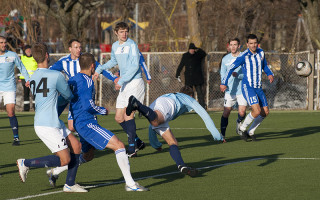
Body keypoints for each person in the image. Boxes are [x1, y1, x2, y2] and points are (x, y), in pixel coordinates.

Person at [68, 52, 148, 191]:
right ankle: (130, 184)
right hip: (87, 123)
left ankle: (55, 172)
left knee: (88, 155)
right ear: (93, 66)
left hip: (80, 123)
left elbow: (71, 101)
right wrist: (102, 110)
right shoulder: (87, 81)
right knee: (119, 145)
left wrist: (71, 118)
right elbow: (88, 106)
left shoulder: (73, 79)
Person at [16, 43, 86, 192]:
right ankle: (25, 163)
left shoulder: (33, 77)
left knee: (77, 146)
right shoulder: (56, 75)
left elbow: (49, 98)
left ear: (35, 59)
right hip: (47, 125)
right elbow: (67, 96)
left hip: (50, 121)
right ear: (47, 56)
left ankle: (70, 184)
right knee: (65, 159)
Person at [126, 86, 223, 176]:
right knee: (155, 121)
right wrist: (218, 136)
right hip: (168, 104)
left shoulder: (176, 95)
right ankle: (138, 105)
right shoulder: (187, 98)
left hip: (156, 105)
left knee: (172, 142)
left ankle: (181, 166)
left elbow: (151, 127)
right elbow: (204, 114)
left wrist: (156, 145)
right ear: (191, 95)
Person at [94, 22, 146, 157]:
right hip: (125, 83)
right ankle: (137, 141)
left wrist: (121, 81)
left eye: (126, 31)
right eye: (122, 32)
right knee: (118, 118)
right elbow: (113, 61)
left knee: (128, 115)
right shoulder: (115, 46)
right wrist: (99, 69)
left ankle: (132, 149)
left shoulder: (132, 45)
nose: (124, 34)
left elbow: (135, 67)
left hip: (134, 82)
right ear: (116, 33)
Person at [49, 39, 117, 134]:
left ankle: (92, 133)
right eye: (76, 47)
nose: (79, 49)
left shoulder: (86, 59)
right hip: (73, 94)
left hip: (86, 92)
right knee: (71, 127)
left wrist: (114, 79)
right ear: (70, 49)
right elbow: (49, 71)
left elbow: (101, 68)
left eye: (80, 47)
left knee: (86, 118)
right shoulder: (64, 61)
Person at [220, 34, 274, 141]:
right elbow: (231, 68)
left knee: (265, 112)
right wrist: (224, 82)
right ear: (247, 44)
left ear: (257, 43)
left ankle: (251, 131)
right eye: (251, 43)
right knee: (257, 111)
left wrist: (269, 74)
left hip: (258, 87)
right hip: (247, 86)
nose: (253, 45)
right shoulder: (243, 56)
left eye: (255, 43)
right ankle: (242, 128)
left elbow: (264, 66)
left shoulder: (261, 52)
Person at [0, 35, 29, 146]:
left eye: (5, 42)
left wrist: (28, 80)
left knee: (11, 111)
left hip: (9, 87)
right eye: (1, 42)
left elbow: (22, 67)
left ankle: (16, 138)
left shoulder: (12, 55)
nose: (4, 44)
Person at [220, 38, 247, 142]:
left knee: (242, 112)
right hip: (230, 90)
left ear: (239, 46)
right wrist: (223, 83)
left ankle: (239, 122)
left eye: (235, 45)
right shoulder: (225, 59)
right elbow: (222, 73)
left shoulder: (243, 57)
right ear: (229, 46)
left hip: (242, 89)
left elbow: (248, 74)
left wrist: (239, 75)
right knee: (226, 112)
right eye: (231, 45)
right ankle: (222, 135)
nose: (233, 47)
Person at [175, 43, 207, 109]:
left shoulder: (198, 55)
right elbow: (181, 65)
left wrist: (198, 48)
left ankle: (202, 106)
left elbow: (204, 53)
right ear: (189, 50)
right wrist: (177, 74)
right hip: (189, 78)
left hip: (197, 78)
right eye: (191, 49)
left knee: (199, 93)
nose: (192, 50)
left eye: (193, 49)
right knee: (189, 93)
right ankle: (190, 107)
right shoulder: (185, 56)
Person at [19, 45, 37, 111]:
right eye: (27, 50)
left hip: (34, 78)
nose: (28, 51)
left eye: (29, 49)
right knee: (26, 94)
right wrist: (19, 76)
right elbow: (19, 67)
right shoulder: (22, 57)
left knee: (35, 93)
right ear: (24, 51)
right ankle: (26, 109)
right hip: (24, 79)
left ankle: (36, 108)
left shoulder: (35, 57)